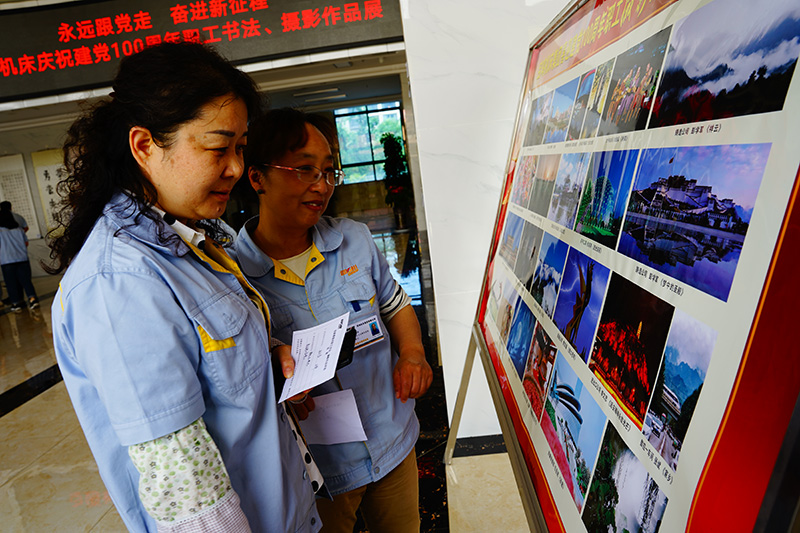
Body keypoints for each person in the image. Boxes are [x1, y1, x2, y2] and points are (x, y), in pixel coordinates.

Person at [48, 43, 322, 532]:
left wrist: (266, 356)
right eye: (219, 148)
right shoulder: (120, 283)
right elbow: (186, 491)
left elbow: (214, 353)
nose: (237, 168)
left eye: (241, 147)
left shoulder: (188, 240)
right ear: (145, 145)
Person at [234, 108, 433, 533]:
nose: (321, 186)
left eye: (328, 171)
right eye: (304, 170)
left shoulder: (355, 240)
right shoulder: (234, 278)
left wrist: (413, 353)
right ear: (257, 178)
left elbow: (395, 304)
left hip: (392, 439)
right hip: (318, 473)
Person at [0, 208, 38, 312]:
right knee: (26, 281)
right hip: (22, 259)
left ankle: (16, 303)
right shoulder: (19, 230)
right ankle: (33, 299)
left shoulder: (0, 231)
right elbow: (26, 243)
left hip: (7, 261)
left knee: (11, 283)